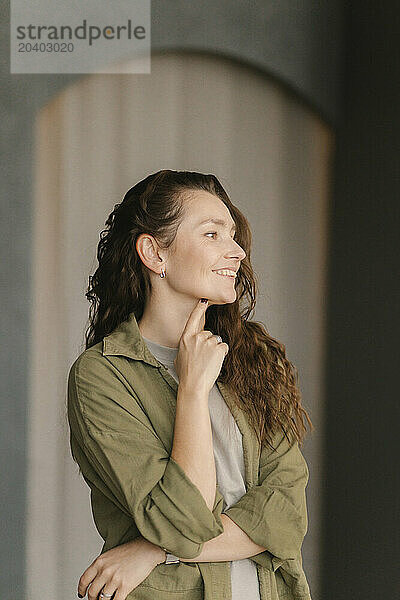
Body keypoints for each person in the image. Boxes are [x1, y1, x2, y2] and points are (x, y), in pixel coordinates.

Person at [67, 169, 314, 600]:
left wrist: (152, 552)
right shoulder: (103, 376)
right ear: (154, 254)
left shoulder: (254, 359)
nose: (236, 251)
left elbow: (286, 517)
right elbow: (181, 521)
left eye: (233, 235)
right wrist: (194, 390)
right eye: (212, 234)